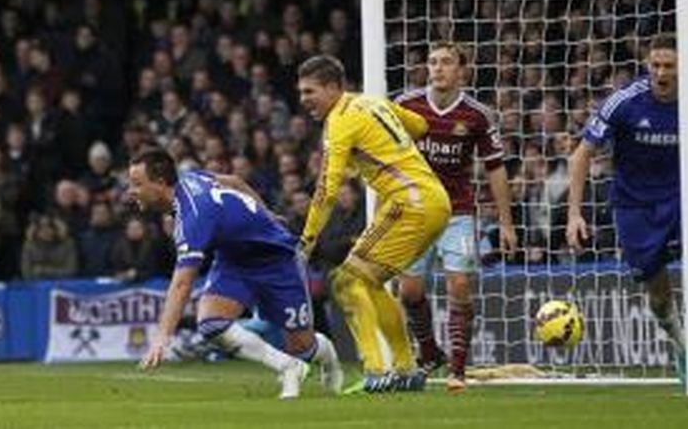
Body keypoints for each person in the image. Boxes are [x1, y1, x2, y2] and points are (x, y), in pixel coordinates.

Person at [129, 148, 342, 399]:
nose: (131, 191)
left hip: (277, 259)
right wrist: (267, 212)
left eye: (137, 184)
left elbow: (182, 283)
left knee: (302, 347)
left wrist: (162, 336)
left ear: (160, 183)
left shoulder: (193, 218)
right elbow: (234, 181)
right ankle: (287, 367)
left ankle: (327, 357)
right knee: (211, 324)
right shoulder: (190, 178)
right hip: (234, 261)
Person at [297, 55, 450, 392]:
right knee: (369, 282)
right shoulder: (372, 102)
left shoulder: (339, 121)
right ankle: (406, 368)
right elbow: (420, 127)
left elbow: (327, 187)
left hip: (408, 203)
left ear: (334, 87)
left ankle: (376, 369)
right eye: (301, 92)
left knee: (345, 282)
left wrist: (306, 241)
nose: (304, 99)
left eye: (311, 91)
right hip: (434, 200)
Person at [396, 41, 518, 392]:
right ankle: (431, 351)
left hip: (457, 212)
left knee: (460, 285)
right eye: (433, 62)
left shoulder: (477, 115)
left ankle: (458, 371)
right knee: (409, 291)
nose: (437, 68)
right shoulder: (407, 106)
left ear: (461, 70)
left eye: (446, 62)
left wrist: (506, 222)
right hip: (416, 213)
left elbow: (495, 169)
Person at [566, 33, 685, 388]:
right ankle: (681, 346)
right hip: (634, 205)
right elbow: (581, 154)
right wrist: (574, 214)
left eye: (669, 66)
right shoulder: (626, 101)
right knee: (659, 295)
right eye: (656, 65)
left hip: (681, 198)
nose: (661, 73)